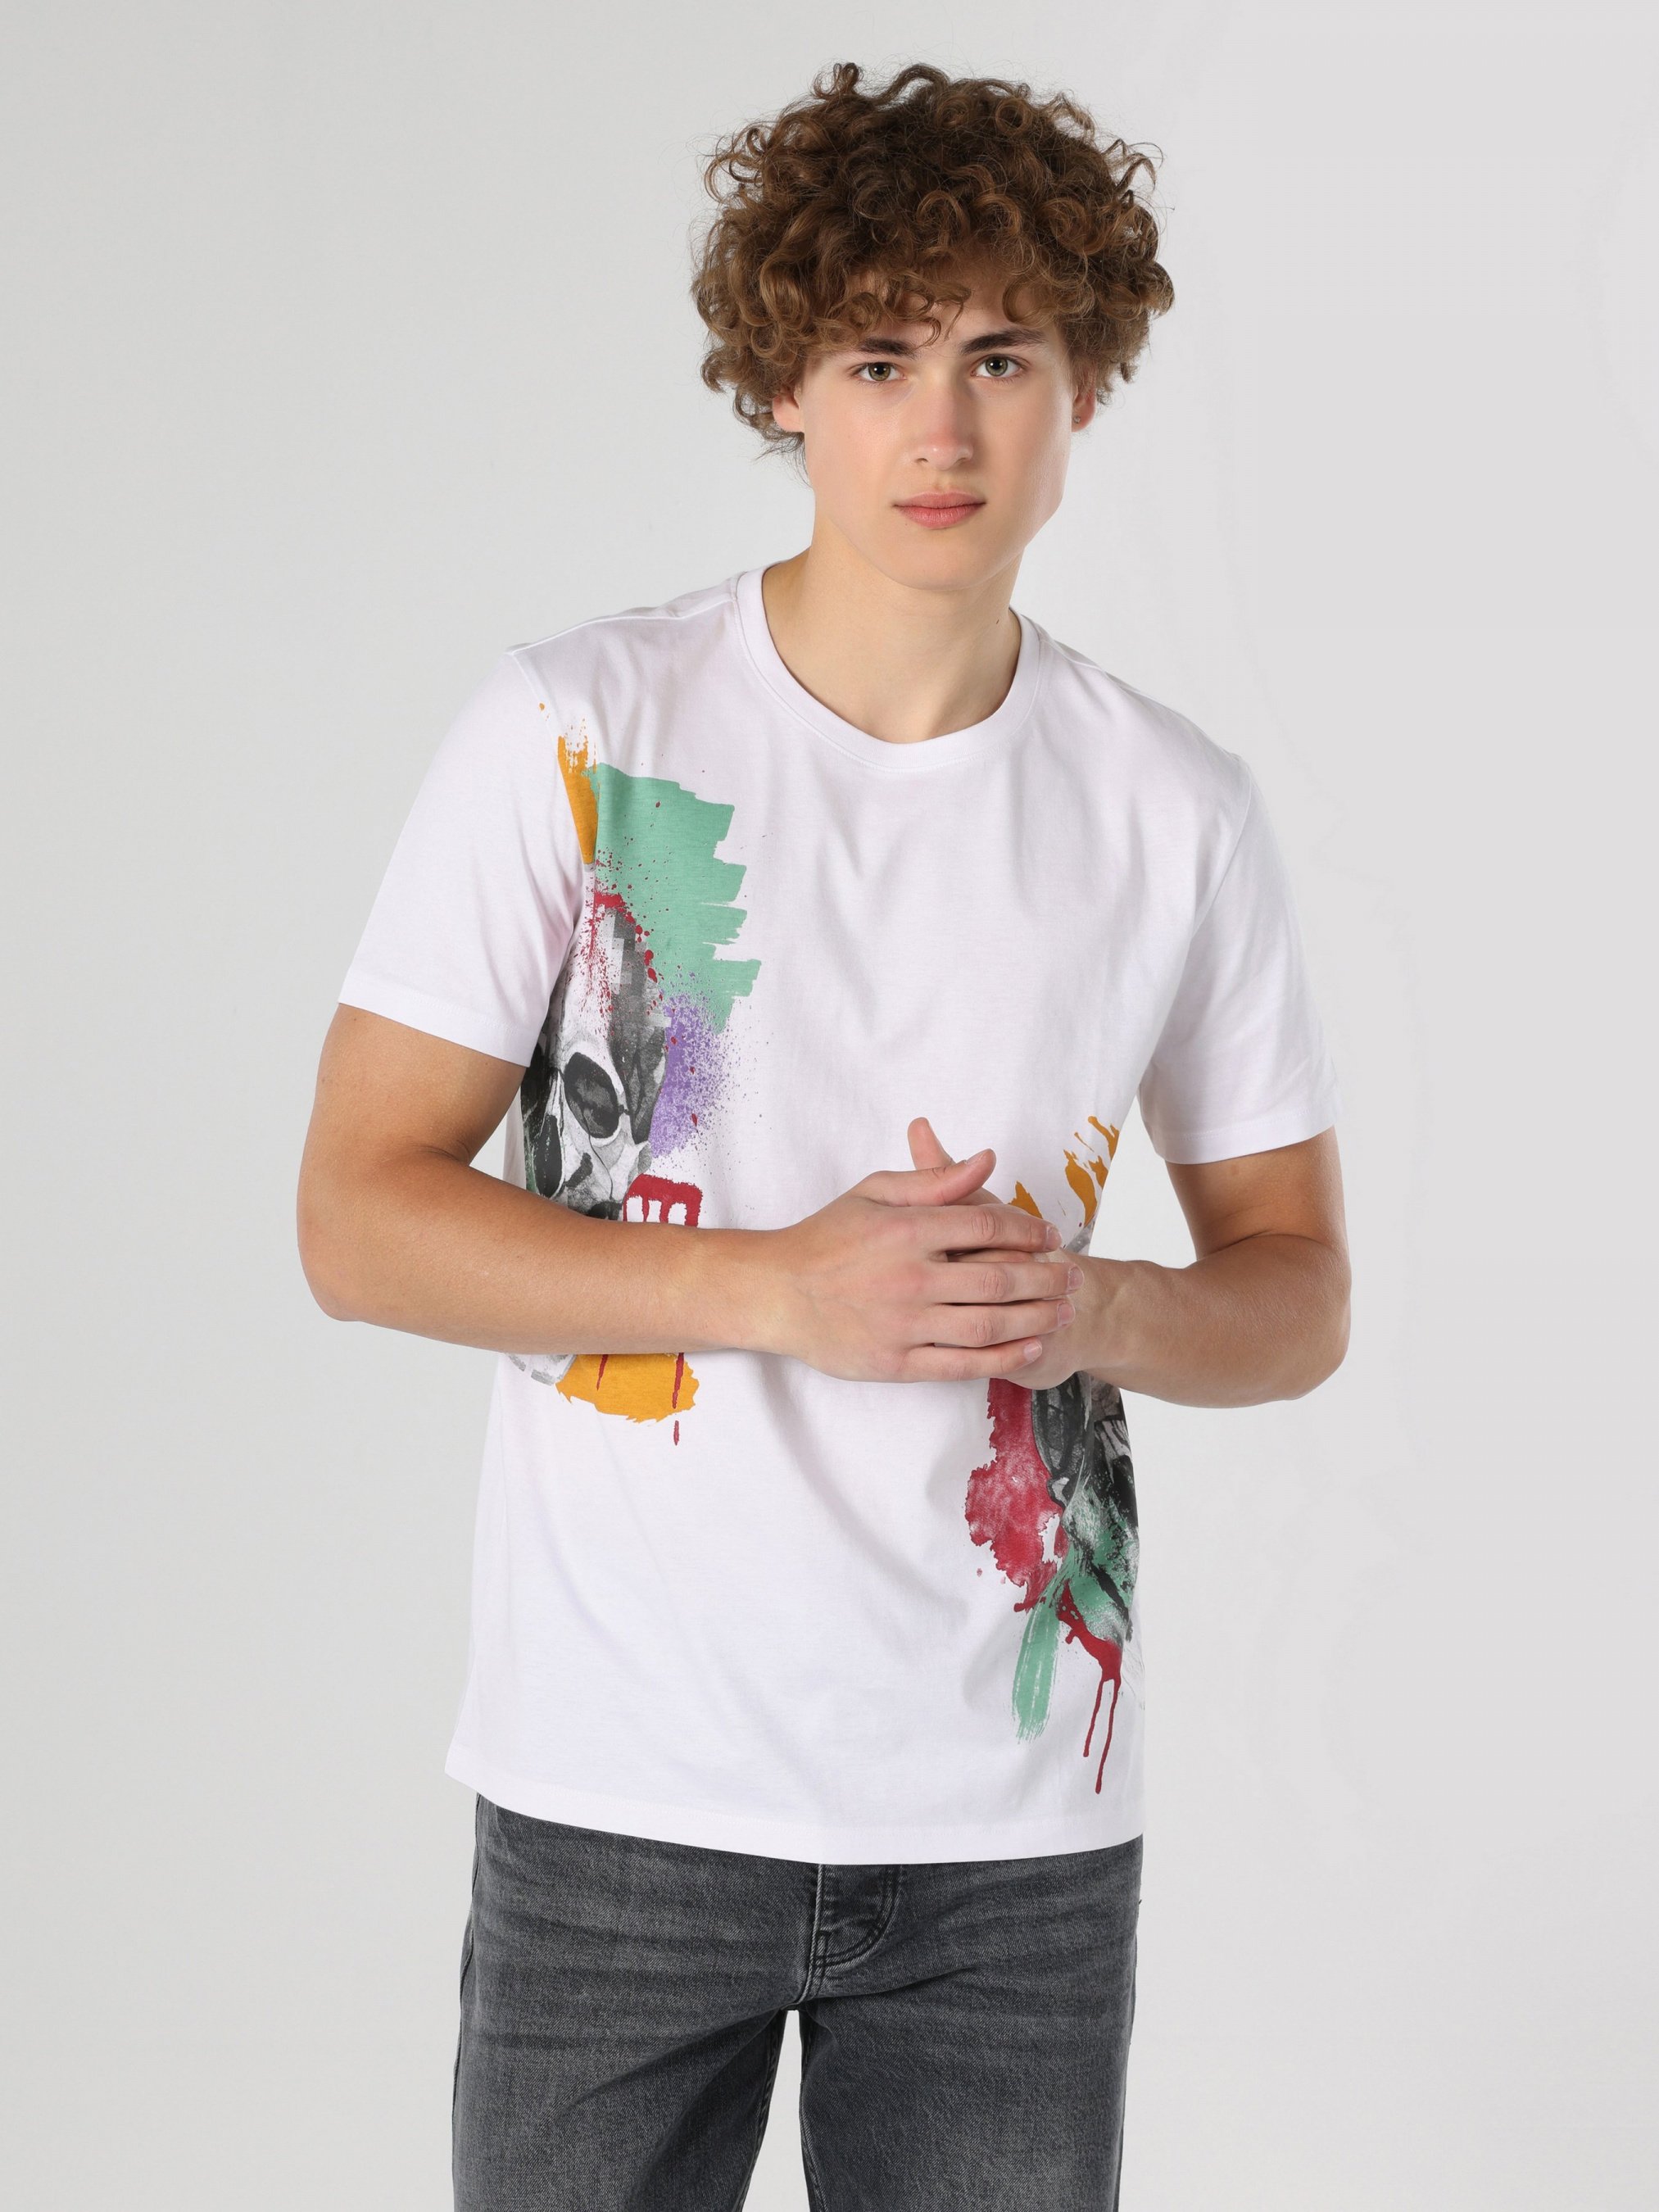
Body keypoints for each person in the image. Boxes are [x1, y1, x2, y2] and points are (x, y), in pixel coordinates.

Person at [297, 57, 1349, 2212]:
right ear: (783, 384)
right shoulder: (581, 729)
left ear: (1085, 384)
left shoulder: (1174, 810)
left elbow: (1297, 1293)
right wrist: (777, 1288)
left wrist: (1097, 1306)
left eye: (1000, 358)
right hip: (621, 1788)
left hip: (1008, 1835)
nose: (941, 430)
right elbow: (355, 1218)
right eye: (879, 360)